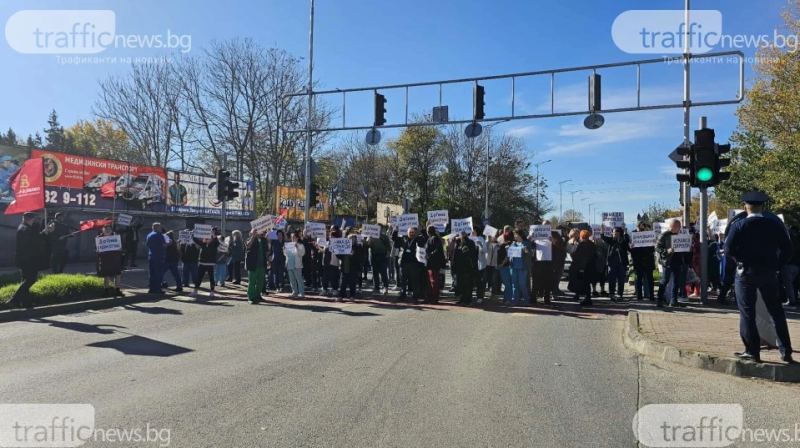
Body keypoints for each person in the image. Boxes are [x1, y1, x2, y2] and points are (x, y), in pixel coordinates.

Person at [725, 192, 794, 363]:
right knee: (776, 311)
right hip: (769, 273)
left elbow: (728, 250)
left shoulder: (739, 226)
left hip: (746, 273)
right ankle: (786, 352)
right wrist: (777, 266)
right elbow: (787, 248)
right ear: (763, 208)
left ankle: (752, 351)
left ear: (745, 208)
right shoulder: (774, 225)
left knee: (747, 312)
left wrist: (739, 260)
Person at [8, 212, 51, 308]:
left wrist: (44, 232)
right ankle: (14, 299)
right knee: (30, 280)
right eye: (34, 219)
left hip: (24, 259)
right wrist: (45, 233)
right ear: (30, 219)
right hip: (29, 259)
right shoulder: (26, 229)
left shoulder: (23, 227)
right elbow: (35, 242)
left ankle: (25, 303)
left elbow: (34, 238)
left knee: (25, 280)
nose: (34, 220)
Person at [656, 219, 692, 307]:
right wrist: (667, 251)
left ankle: (673, 300)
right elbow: (657, 248)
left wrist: (688, 248)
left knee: (676, 281)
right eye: (679, 226)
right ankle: (659, 299)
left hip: (678, 261)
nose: (680, 228)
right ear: (674, 226)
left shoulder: (679, 235)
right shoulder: (664, 235)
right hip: (668, 261)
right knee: (665, 280)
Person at [392, 226, 427, 304]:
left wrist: (423, 230)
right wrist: (395, 231)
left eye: (412, 232)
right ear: (407, 233)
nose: (411, 234)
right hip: (404, 263)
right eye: (410, 232)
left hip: (413, 263)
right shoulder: (404, 239)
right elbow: (394, 239)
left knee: (415, 280)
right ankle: (402, 294)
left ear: (414, 233)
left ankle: (415, 295)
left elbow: (426, 238)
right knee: (403, 280)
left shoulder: (418, 239)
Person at [601, 226, 630, 302]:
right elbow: (604, 238)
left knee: (621, 280)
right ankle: (612, 294)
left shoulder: (623, 240)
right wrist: (602, 231)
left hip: (621, 264)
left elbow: (626, 241)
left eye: (616, 232)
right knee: (612, 280)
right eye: (613, 232)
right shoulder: (611, 240)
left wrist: (625, 234)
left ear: (619, 233)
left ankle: (620, 294)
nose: (614, 234)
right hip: (612, 263)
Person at [568, 230, 597, 306]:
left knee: (584, 283)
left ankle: (587, 299)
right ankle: (587, 297)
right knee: (587, 283)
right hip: (591, 267)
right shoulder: (592, 244)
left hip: (583, 267)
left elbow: (579, 257)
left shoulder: (581, 245)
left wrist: (581, 268)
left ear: (581, 236)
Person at [189, 232, 220, 298]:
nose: (207, 239)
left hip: (210, 264)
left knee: (211, 278)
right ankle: (195, 290)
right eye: (206, 238)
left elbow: (218, 243)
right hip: (202, 263)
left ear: (211, 239)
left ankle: (212, 291)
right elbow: (196, 240)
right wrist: (193, 234)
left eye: (209, 238)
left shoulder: (214, 244)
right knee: (199, 277)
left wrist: (215, 237)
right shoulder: (203, 244)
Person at [97, 224, 124, 297]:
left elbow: (121, 247)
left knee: (118, 275)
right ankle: (106, 291)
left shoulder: (116, 237)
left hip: (115, 259)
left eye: (109, 229)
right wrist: (98, 251)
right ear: (103, 230)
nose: (107, 231)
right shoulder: (99, 238)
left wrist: (120, 249)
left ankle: (117, 291)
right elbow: (97, 249)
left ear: (112, 230)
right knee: (106, 276)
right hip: (105, 259)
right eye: (106, 229)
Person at [630, 222, 656, 301]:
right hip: (638, 261)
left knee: (650, 279)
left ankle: (651, 296)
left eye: (643, 228)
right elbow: (631, 250)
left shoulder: (648, 235)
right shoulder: (633, 235)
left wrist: (653, 243)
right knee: (638, 279)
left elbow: (652, 250)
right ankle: (639, 296)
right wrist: (631, 247)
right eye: (640, 228)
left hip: (648, 261)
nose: (641, 230)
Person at [452, 231, 478, 306]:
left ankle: (468, 300)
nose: (462, 235)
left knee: (468, 284)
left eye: (463, 234)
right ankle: (462, 299)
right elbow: (455, 254)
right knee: (461, 284)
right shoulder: (458, 243)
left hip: (468, 267)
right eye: (461, 234)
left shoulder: (470, 243)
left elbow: (472, 254)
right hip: (460, 267)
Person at [245, 229, 269, 304]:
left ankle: (257, 296)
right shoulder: (249, 239)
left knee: (260, 282)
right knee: (252, 282)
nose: (257, 232)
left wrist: (268, 261)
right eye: (255, 231)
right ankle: (251, 297)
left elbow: (266, 252)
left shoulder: (264, 240)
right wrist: (253, 237)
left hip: (262, 264)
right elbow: (248, 246)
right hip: (253, 264)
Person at [510, 229, 532, 306]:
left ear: (519, 235)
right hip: (513, 267)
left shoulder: (526, 243)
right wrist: (508, 250)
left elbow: (530, 255)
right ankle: (516, 301)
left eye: (515, 234)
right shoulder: (513, 243)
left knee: (522, 284)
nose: (514, 236)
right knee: (514, 285)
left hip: (523, 267)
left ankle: (526, 301)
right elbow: (510, 254)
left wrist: (526, 250)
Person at [424, 225, 446, 304]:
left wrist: (429, 255)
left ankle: (434, 298)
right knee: (430, 281)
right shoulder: (430, 238)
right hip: (430, 263)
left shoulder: (435, 238)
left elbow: (438, 250)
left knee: (434, 281)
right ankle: (430, 297)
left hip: (434, 263)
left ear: (429, 231)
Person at [367, 226, 391, 295]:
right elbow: (367, 246)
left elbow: (388, 247)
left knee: (383, 273)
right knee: (375, 273)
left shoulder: (384, 237)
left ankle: (385, 287)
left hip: (382, 256)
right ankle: (376, 288)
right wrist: (369, 240)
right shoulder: (370, 237)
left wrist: (387, 256)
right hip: (374, 257)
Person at [146, 222, 167, 294]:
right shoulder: (159, 235)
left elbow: (147, 245)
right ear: (157, 228)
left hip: (151, 256)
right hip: (159, 256)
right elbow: (164, 245)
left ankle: (152, 288)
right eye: (160, 227)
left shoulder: (149, 235)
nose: (161, 228)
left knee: (152, 274)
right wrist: (169, 243)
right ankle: (158, 289)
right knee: (159, 273)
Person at [285, 232, 306, 299]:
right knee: (292, 280)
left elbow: (301, 254)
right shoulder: (289, 245)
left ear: (297, 238)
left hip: (297, 265)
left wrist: (297, 247)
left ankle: (301, 292)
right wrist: (284, 249)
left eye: (293, 237)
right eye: (291, 237)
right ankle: (294, 292)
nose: (292, 238)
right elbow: (286, 254)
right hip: (290, 264)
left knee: (299, 279)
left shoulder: (301, 245)